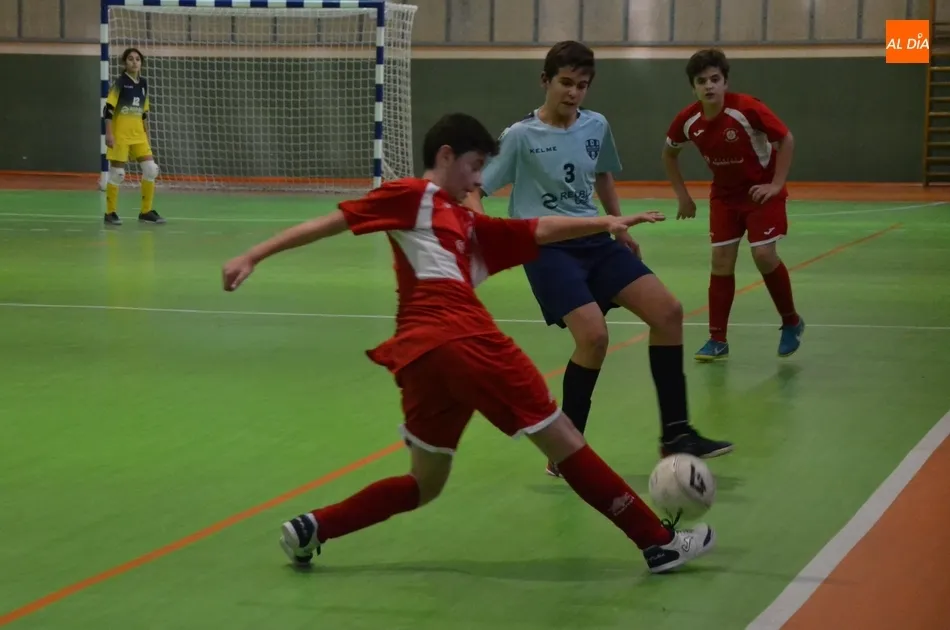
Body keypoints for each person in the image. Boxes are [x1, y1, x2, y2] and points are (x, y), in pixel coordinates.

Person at [221, 113, 716, 575]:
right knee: (563, 437)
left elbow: (536, 228)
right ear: (446, 156)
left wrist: (604, 222)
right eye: (475, 167)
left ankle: (314, 528)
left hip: (422, 357)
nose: (479, 181)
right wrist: (254, 254)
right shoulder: (414, 195)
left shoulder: (465, 224)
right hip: (464, 338)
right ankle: (658, 542)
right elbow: (334, 221)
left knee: (425, 483)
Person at [465, 41, 733, 476]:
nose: (573, 92)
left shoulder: (596, 125)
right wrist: (485, 231)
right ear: (545, 81)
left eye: (582, 85)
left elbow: (603, 173)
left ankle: (676, 434)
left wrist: (619, 225)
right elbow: (476, 188)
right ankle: (566, 450)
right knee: (593, 337)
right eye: (565, 83)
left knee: (668, 312)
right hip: (547, 248)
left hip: (595, 238)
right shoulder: (520, 136)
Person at [662, 48, 803, 361]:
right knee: (721, 261)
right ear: (693, 88)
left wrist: (776, 185)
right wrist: (683, 196)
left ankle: (791, 321)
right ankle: (718, 340)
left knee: (763, 255)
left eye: (715, 79)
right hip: (725, 197)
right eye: (702, 81)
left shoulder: (747, 108)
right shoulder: (688, 120)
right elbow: (669, 153)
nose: (709, 86)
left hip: (760, 194)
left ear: (725, 82)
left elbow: (786, 139)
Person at [103, 47, 165, 226]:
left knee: (151, 169)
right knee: (118, 174)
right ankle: (110, 213)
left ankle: (146, 211)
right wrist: (109, 133)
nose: (134, 62)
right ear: (125, 63)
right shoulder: (120, 83)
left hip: (139, 135)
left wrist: (147, 135)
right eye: (130, 59)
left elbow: (144, 113)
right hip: (120, 135)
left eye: (137, 59)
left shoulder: (143, 83)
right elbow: (108, 110)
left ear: (141, 63)